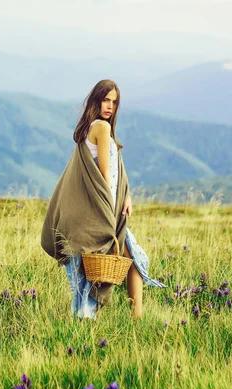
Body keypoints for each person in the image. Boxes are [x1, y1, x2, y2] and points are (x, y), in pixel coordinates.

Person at [41, 79, 166, 320]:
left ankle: (135, 317)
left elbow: (117, 169)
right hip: (102, 210)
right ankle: (122, 318)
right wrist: (110, 212)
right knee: (112, 265)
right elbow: (105, 177)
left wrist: (126, 194)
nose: (110, 106)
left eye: (114, 102)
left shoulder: (93, 128)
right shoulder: (102, 128)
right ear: (96, 101)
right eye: (105, 100)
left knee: (130, 259)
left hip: (107, 208)